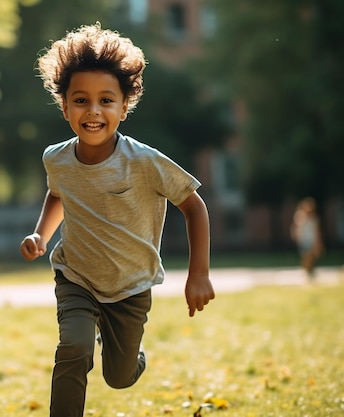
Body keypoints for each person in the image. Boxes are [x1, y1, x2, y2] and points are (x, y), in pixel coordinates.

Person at [19, 23, 215, 417]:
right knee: (73, 348)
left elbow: (194, 206)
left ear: (125, 106)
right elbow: (58, 192)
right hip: (76, 276)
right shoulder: (55, 157)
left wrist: (199, 274)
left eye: (106, 100)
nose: (93, 111)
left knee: (120, 377)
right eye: (81, 100)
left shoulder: (144, 161)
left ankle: (131, 356)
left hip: (130, 285)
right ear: (65, 107)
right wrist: (41, 235)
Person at [290, 197, 324, 279]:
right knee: (306, 256)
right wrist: (295, 236)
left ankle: (310, 271)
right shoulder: (300, 217)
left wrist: (319, 242)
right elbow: (295, 228)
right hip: (303, 240)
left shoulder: (314, 219)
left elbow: (317, 231)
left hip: (312, 241)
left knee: (311, 257)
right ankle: (307, 271)